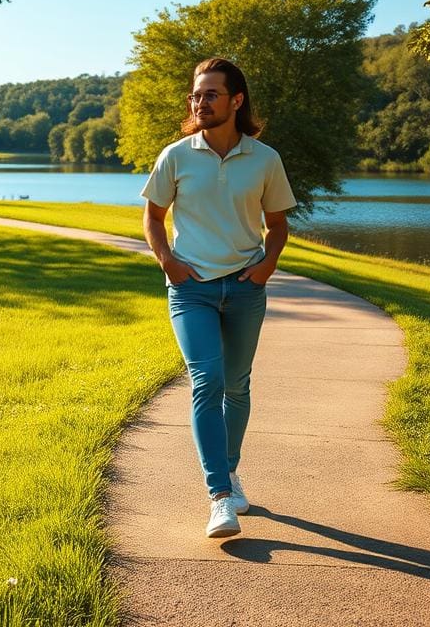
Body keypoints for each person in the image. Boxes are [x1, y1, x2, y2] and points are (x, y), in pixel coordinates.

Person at [140, 57, 296, 538]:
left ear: (236, 100)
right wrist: (168, 261)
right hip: (192, 291)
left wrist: (265, 267)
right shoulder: (176, 155)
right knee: (206, 380)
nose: (199, 102)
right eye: (195, 94)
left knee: (237, 385)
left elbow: (278, 225)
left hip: (245, 289)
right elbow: (152, 217)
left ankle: (229, 469)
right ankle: (219, 496)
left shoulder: (265, 159)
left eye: (210, 94)